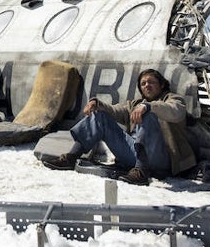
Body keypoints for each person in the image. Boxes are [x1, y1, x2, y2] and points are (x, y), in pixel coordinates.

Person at [44, 69, 195, 185]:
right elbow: (115, 110)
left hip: (161, 159)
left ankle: (141, 172)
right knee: (100, 116)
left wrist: (148, 107)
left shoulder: (174, 100)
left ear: (161, 84)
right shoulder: (134, 105)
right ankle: (70, 158)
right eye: (143, 83)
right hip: (133, 154)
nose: (147, 85)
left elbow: (175, 112)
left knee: (148, 115)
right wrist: (96, 104)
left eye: (151, 82)